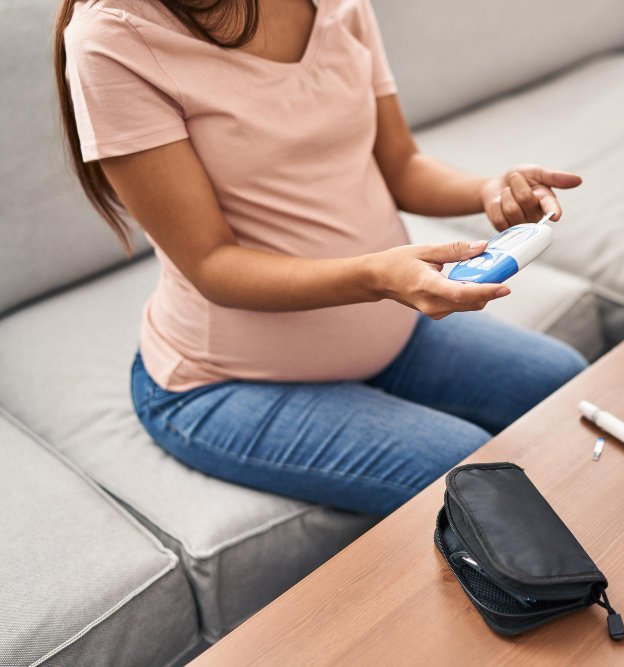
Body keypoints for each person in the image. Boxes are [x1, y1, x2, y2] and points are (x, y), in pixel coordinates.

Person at [55, 0, 586, 515]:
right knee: (473, 479)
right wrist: (378, 277)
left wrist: (488, 189)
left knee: (567, 385)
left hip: (391, 335)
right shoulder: (112, 38)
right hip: (226, 381)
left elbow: (400, 165)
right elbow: (212, 265)